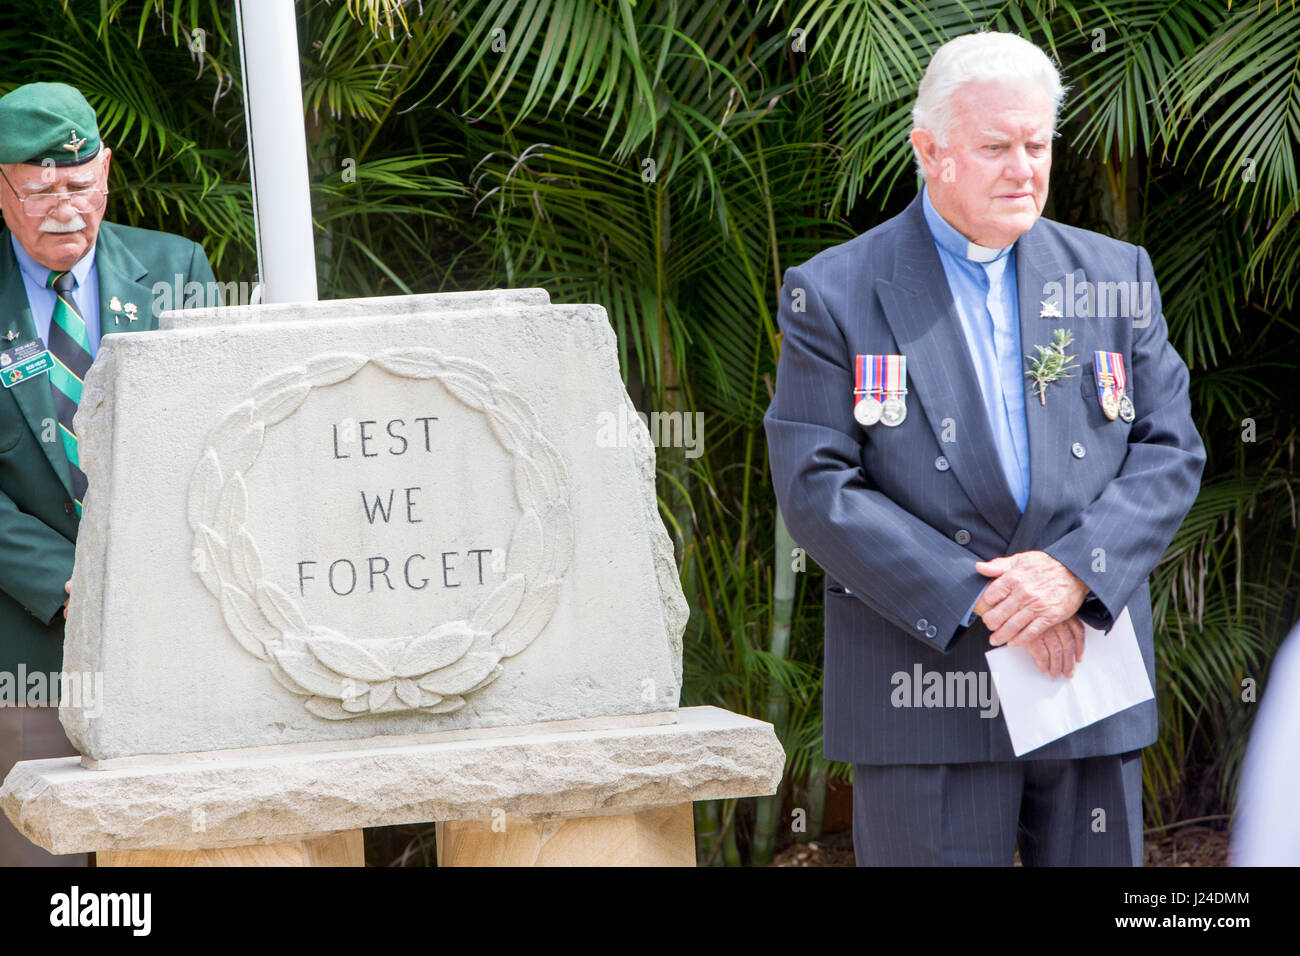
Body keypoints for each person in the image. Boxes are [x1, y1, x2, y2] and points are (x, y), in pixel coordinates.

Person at [764, 32, 1206, 865]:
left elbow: (1169, 447)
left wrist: (1071, 574)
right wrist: (995, 602)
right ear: (929, 151)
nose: (1023, 168)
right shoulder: (832, 292)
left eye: (1036, 144)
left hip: (1085, 673)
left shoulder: (1115, 274)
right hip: (924, 679)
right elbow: (817, 484)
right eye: (996, 147)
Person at [0, 82, 218, 865]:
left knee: (175, 848)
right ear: (0, 186)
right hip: (22, 653)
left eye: (80, 184)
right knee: (39, 863)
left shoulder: (174, 268)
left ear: (108, 171)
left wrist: (135, 572)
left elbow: (212, 439)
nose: (65, 206)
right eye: (40, 188)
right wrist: (67, 576)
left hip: (164, 631)